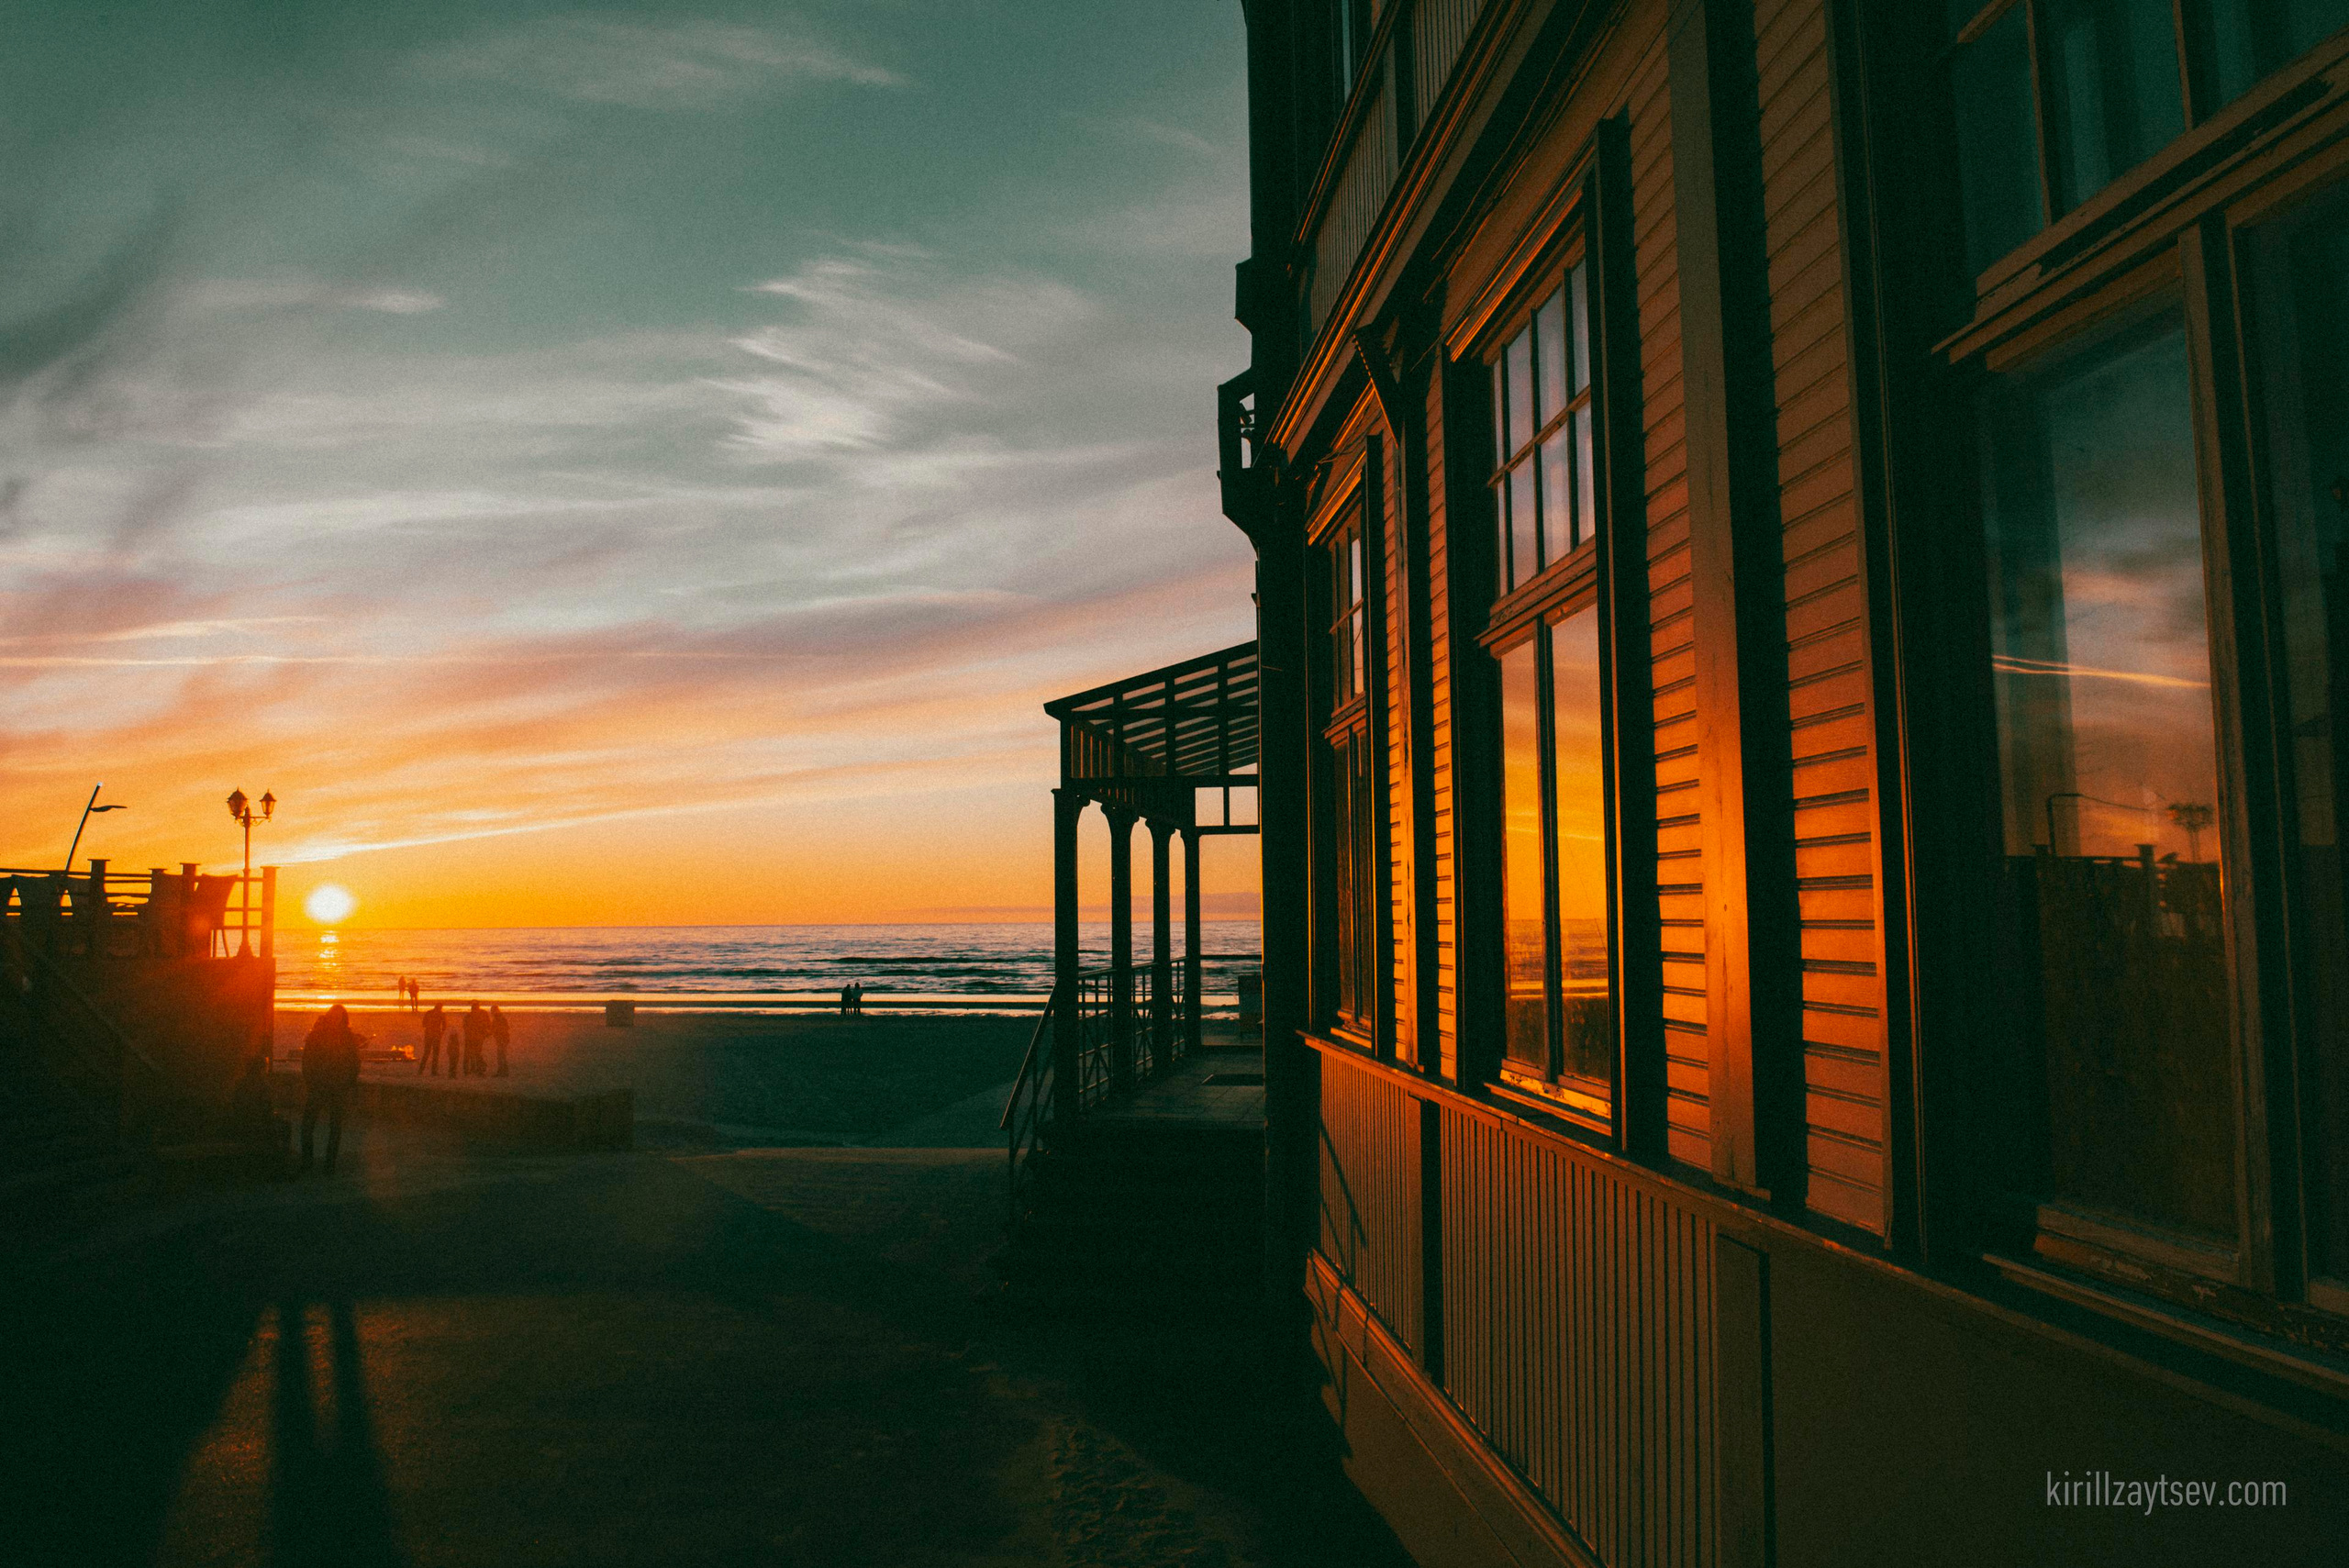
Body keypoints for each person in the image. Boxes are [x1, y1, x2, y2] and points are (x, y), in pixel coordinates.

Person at [299, 1004, 362, 1174]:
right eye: (333, 1016)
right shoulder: (317, 1034)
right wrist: (310, 1081)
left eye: (339, 1017)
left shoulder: (347, 1037)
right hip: (318, 1086)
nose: (335, 1019)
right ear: (329, 1016)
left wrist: (349, 1083)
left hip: (338, 1087)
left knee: (335, 1127)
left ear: (343, 1019)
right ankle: (307, 1162)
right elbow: (307, 1059)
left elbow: (355, 1062)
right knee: (307, 1125)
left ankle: (330, 1164)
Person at [228, 1052, 286, 1179]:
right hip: (257, 1125)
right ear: (261, 1068)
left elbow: (235, 1105)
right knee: (284, 1126)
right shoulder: (263, 1086)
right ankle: (280, 1166)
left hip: (240, 1123)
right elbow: (267, 1110)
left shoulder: (240, 1084)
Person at [417, 1003, 447, 1075]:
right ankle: (433, 1071)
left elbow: (424, 1024)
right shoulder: (441, 1014)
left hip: (428, 1034)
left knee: (427, 1053)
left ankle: (421, 1070)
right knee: (435, 1054)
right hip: (436, 1035)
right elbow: (444, 1026)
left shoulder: (429, 1013)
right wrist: (441, 1033)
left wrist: (430, 1027)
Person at [462, 1002, 488, 1076]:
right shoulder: (473, 1015)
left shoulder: (481, 1014)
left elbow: (487, 1025)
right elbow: (465, 1027)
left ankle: (473, 1070)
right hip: (473, 1038)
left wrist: (485, 1033)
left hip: (476, 1038)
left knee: (474, 1054)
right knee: (472, 1054)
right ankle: (471, 1070)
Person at [490, 1004, 511, 1077]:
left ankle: (502, 1072)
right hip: (502, 1039)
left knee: (501, 1056)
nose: (491, 1012)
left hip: (502, 1039)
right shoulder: (499, 1018)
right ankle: (504, 1072)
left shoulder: (499, 1018)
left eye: (492, 1011)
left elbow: (504, 1028)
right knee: (502, 1055)